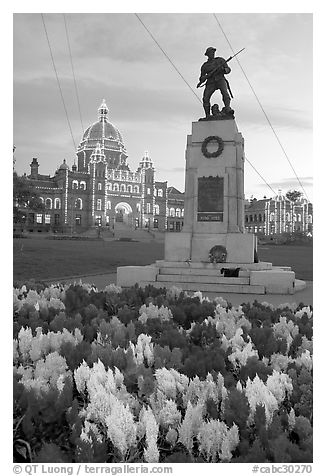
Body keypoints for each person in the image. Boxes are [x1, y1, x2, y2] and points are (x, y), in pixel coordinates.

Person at [198, 47, 233, 118]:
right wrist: (207, 76)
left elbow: (228, 69)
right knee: (205, 98)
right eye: (211, 53)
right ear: (207, 54)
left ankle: (228, 108)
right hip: (211, 82)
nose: (212, 54)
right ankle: (207, 115)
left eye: (213, 52)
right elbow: (201, 78)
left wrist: (223, 70)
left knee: (225, 93)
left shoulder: (220, 60)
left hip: (220, 79)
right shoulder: (205, 65)